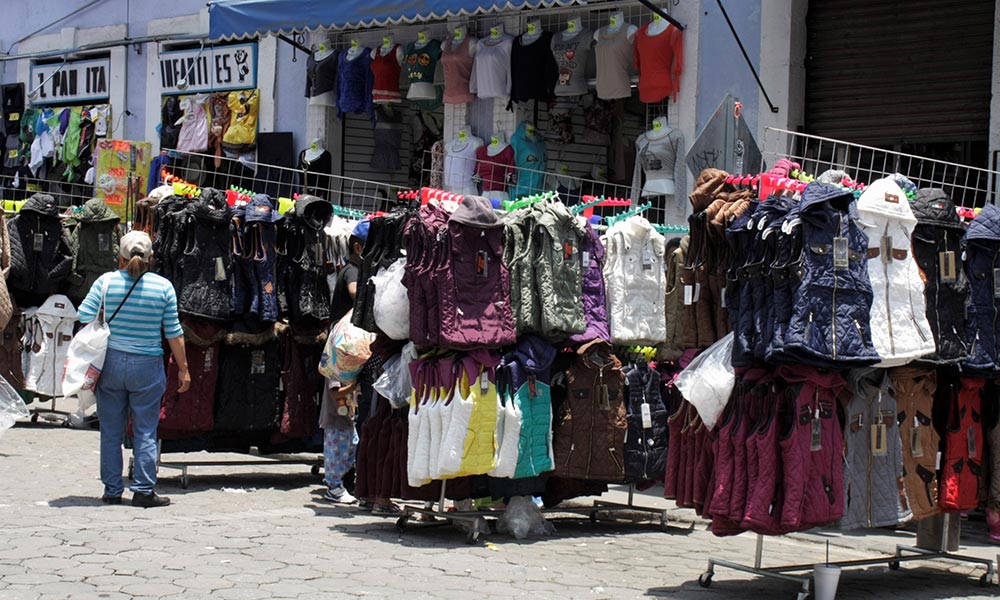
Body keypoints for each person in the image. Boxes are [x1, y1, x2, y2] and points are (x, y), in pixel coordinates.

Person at [77, 231, 190, 508]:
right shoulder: (163, 287)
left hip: (112, 362)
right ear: (151, 258)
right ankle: (142, 490)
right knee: (145, 430)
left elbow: (83, 315)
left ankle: (113, 490)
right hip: (148, 365)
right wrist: (183, 369)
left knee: (111, 431)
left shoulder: (106, 282)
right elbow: (174, 333)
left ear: (121, 257)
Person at [319, 220, 368, 504]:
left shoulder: (357, 269)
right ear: (358, 248)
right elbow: (354, 292)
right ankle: (334, 484)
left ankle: (340, 481)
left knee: (347, 426)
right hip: (341, 354)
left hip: (348, 354)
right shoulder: (352, 271)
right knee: (338, 422)